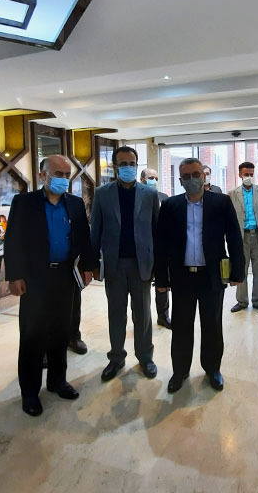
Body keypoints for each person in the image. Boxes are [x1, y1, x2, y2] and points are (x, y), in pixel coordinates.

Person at [4, 155, 97, 417]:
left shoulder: (75, 204)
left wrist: (88, 266)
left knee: (61, 331)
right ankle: (30, 392)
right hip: (34, 278)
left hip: (65, 276)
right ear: (43, 175)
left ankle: (57, 381)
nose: (63, 179)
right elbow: (13, 240)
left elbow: (83, 237)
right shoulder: (25, 203)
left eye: (67, 175)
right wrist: (14, 276)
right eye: (58, 174)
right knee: (32, 335)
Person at [154, 158, 245, 393]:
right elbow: (161, 244)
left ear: (204, 176)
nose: (192, 179)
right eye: (187, 176)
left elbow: (234, 237)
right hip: (182, 277)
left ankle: (213, 369)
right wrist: (161, 279)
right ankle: (180, 371)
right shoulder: (170, 206)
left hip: (211, 277)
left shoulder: (221, 202)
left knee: (212, 325)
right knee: (181, 327)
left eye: (196, 174)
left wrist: (238, 271)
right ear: (180, 180)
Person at [91, 146, 159, 381]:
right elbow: (95, 230)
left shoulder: (149, 194)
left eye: (132, 164)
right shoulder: (102, 194)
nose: (128, 167)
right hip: (115, 265)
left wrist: (158, 266)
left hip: (142, 264)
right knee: (116, 313)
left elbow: (156, 230)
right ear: (115, 166)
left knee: (143, 314)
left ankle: (145, 357)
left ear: (137, 166)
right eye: (123, 164)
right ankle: (116, 358)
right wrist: (93, 263)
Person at [229, 162, 258, 314]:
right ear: (240, 175)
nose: (249, 177)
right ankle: (242, 301)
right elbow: (228, 218)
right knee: (240, 270)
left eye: (251, 174)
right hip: (241, 238)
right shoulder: (232, 194)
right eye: (246, 174)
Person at [140, 168, 171, 329]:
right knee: (141, 287)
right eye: (151, 177)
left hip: (161, 248)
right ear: (142, 179)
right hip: (143, 248)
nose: (154, 181)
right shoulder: (137, 197)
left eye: (156, 178)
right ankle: (142, 319)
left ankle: (163, 316)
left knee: (162, 284)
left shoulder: (164, 198)